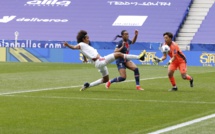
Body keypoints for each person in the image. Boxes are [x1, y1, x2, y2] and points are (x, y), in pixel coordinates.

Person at [63, 30, 146, 91]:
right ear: (83, 39)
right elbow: (74, 47)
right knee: (118, 54)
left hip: (99, 63)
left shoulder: (84, 46)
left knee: (105, 79)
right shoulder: (81, 44)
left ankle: (88, 85)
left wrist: (85, 59)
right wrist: (67, 45)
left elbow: (84, 53)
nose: (89, 39)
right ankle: (139, 57)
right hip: (100, 61)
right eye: (87, 38)